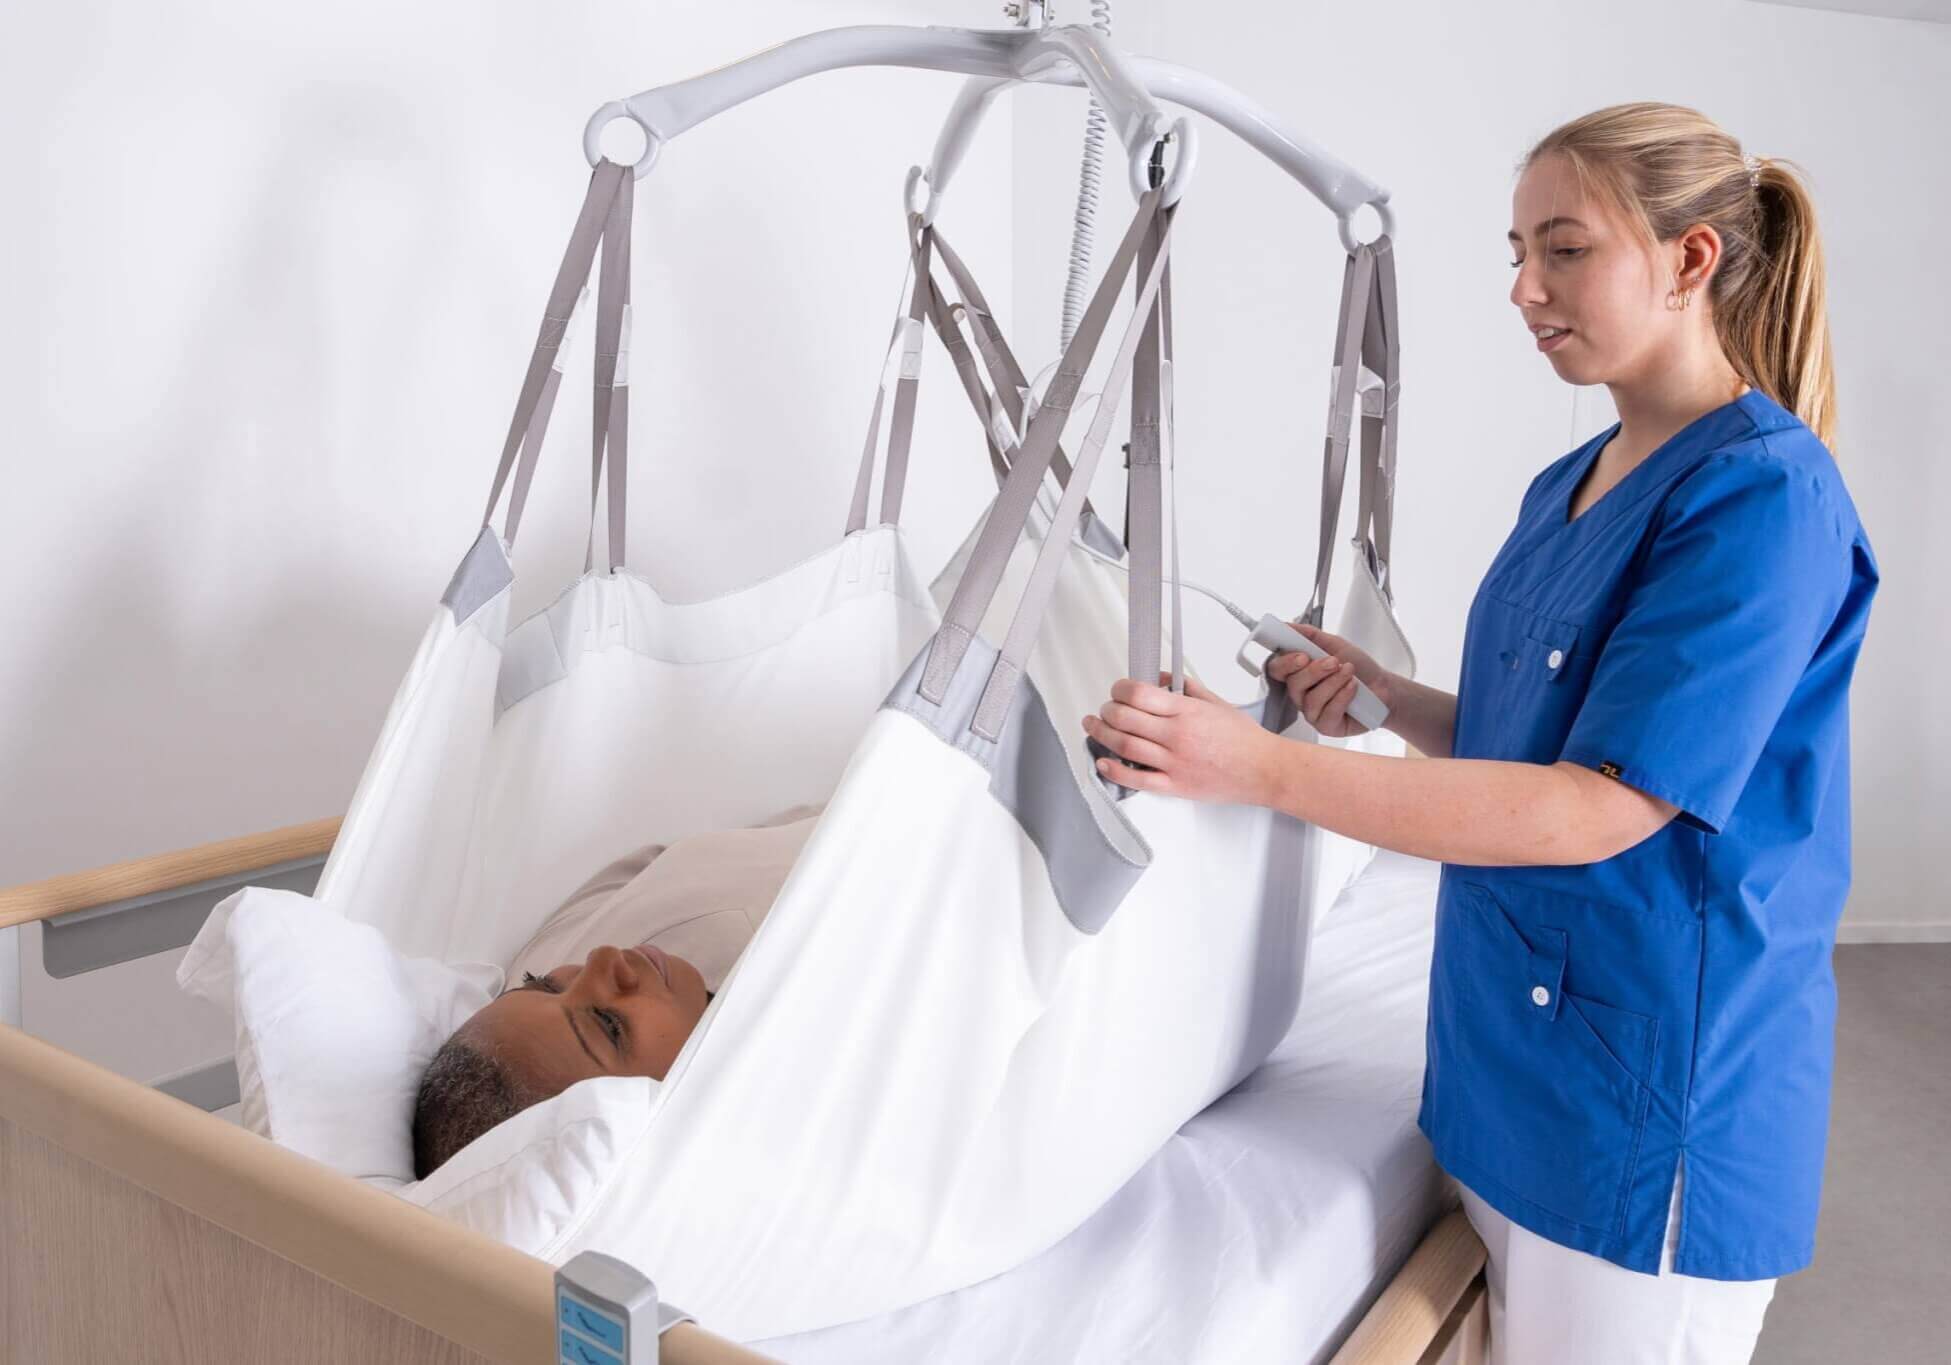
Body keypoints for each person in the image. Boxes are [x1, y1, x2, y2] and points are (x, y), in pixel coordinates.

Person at [1082, 102, 1878, 1364]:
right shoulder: (1573, 480)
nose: (1521, 287)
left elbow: (1595, 806)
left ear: (1690, 261)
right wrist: (1386, 702)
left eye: (1563, 250)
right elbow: (1540, 737)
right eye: (1514, 252)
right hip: (1514, 1072)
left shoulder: (1764, 498)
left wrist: (1259, 769)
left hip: (1644, 1102)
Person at [410, 803, 822, 1179]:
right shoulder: (811, 976)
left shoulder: (553, 951)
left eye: (542, 984)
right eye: (610, 1025)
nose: (603, 959)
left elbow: (654, 862)